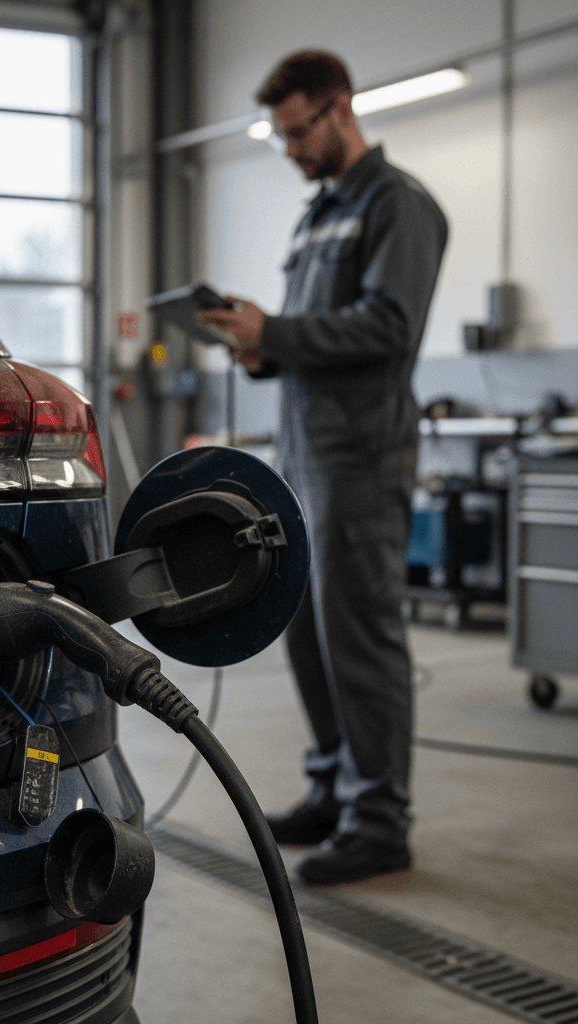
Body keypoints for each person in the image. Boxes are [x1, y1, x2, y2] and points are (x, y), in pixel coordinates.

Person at [202, 50, 448, 884]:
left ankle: (379, 819)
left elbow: (390, 326)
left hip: (362, 458)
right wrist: (258, 348)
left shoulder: (397, 204)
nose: (292, 150)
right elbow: (313, 334)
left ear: (340, 109)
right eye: (280, 137)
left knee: (360, 635)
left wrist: (274, 333)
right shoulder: (318, 217)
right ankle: (333, 792)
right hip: (304, 450)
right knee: (307, 629)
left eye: (298, 132)